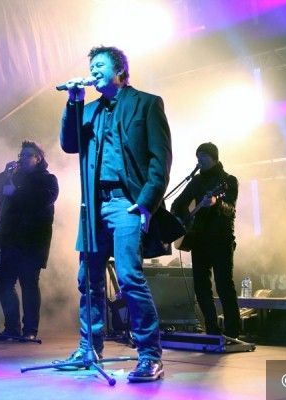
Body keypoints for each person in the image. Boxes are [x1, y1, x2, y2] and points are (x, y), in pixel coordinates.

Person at [56, 45, 172, 382]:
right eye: (91, 65)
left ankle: (150, 355)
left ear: (119, 70)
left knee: (129, 277)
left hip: (126, 203)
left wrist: (147, 202)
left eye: (100, 64)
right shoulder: (89, 110)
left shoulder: (147, 103)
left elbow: (160, 158)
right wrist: (74, 102)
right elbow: (69, 143)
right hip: (93, 206)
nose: (93, 70)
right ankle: (88, 349)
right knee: (88, 280)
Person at [0, 140, 59, 340]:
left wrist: (15, 193)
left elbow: (42, 200)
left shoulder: (48, 179)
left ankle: (30, 330)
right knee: (5, 284)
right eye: (21, 155)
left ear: (38, 158)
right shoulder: (14, 177)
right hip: (8, 240)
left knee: (29, 285)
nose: (22, 159)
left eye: (27, 155)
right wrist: (5, 174)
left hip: (31, 242)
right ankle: (12, 328)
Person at [170, 142, 241, 338]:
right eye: (198, 156)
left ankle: (233, 331)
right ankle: (212, 330)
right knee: (201, 287)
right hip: (198, 239)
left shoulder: (228, 181)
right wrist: (186, 219)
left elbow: (230, 208)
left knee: (224, 285)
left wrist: (216, 203)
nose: (199, 159)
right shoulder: (196, 181)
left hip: (221, 239)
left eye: (203, 156)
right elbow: (177, 204)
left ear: (214, 158)